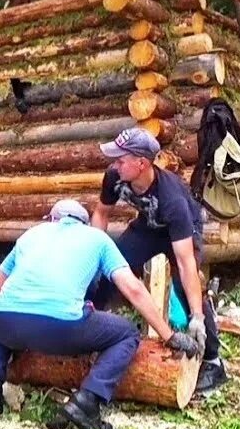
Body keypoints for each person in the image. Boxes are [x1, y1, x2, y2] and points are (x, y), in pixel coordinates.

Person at [0, 199, 200, 429]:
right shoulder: (97, 239)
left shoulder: (32, 234)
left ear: (53, 219)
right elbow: (134, 289)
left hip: (7, 321)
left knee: (2, 313)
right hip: (60, 326)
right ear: (84, 223)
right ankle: (87, 400)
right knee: (127, 333)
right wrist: (168, 335)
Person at [89, 128, 227, 393]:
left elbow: (187, 264)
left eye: (121, 159)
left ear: (141, 164)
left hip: (183, 228)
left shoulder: (172, 199)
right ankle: (92, 323)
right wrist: (94, 252)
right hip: (149, 226)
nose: (115, 164)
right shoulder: (114, 177)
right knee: (112, 267)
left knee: (183, 286)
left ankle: (213, 362)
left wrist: (196, 316)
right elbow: (102, 213)